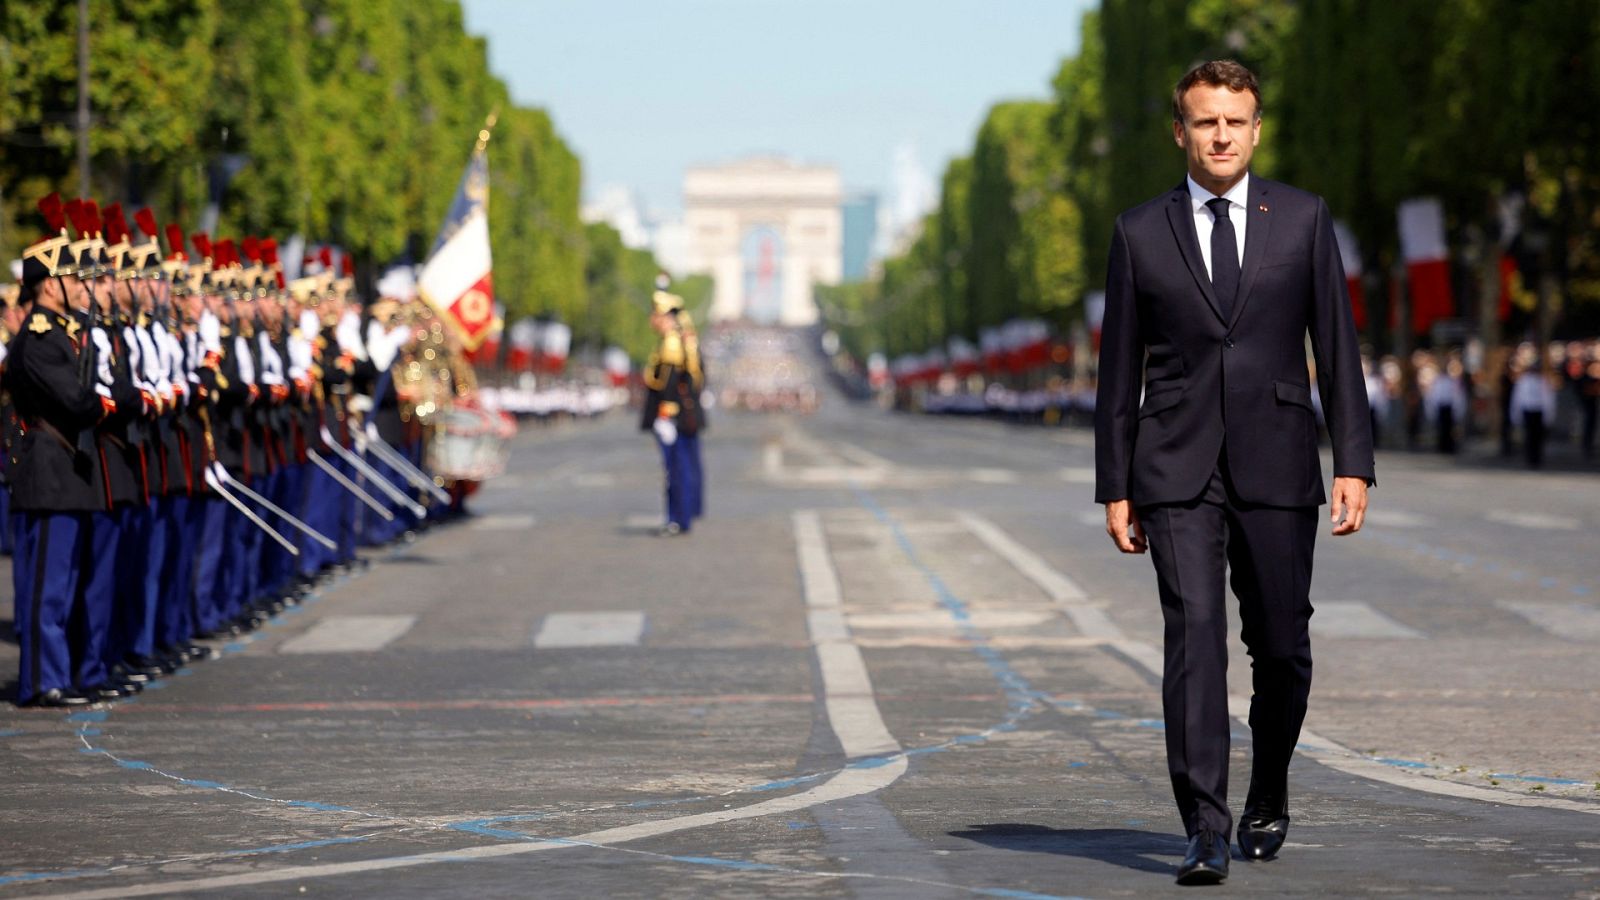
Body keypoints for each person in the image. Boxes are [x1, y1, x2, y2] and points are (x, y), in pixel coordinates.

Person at [1094, 60, 1374, 885]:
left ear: (1256, 130)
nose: (1221, 135)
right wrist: (1116, 482)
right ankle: (1204, 827)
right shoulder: (1139, 231)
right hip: (1173, 466)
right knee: (1195, 642)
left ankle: (1271, 783)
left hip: (1280, 457)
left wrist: (1353, 461)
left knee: (1282, 648)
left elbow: (1340, 347)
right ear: (1180, 131)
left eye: (1235, 122)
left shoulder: (1303, 219)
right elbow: (1117, 374)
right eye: (1205, 121)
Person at [640, 282, 705, 536]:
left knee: (675, 470)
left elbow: (669, 384)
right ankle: (683, 515)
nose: (653, 319)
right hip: (683, 416)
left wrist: (665, 415)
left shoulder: (671, 343)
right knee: (683, 467)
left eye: (657, 314)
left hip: (673, 417)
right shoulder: (683, 340)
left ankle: (677, 518)